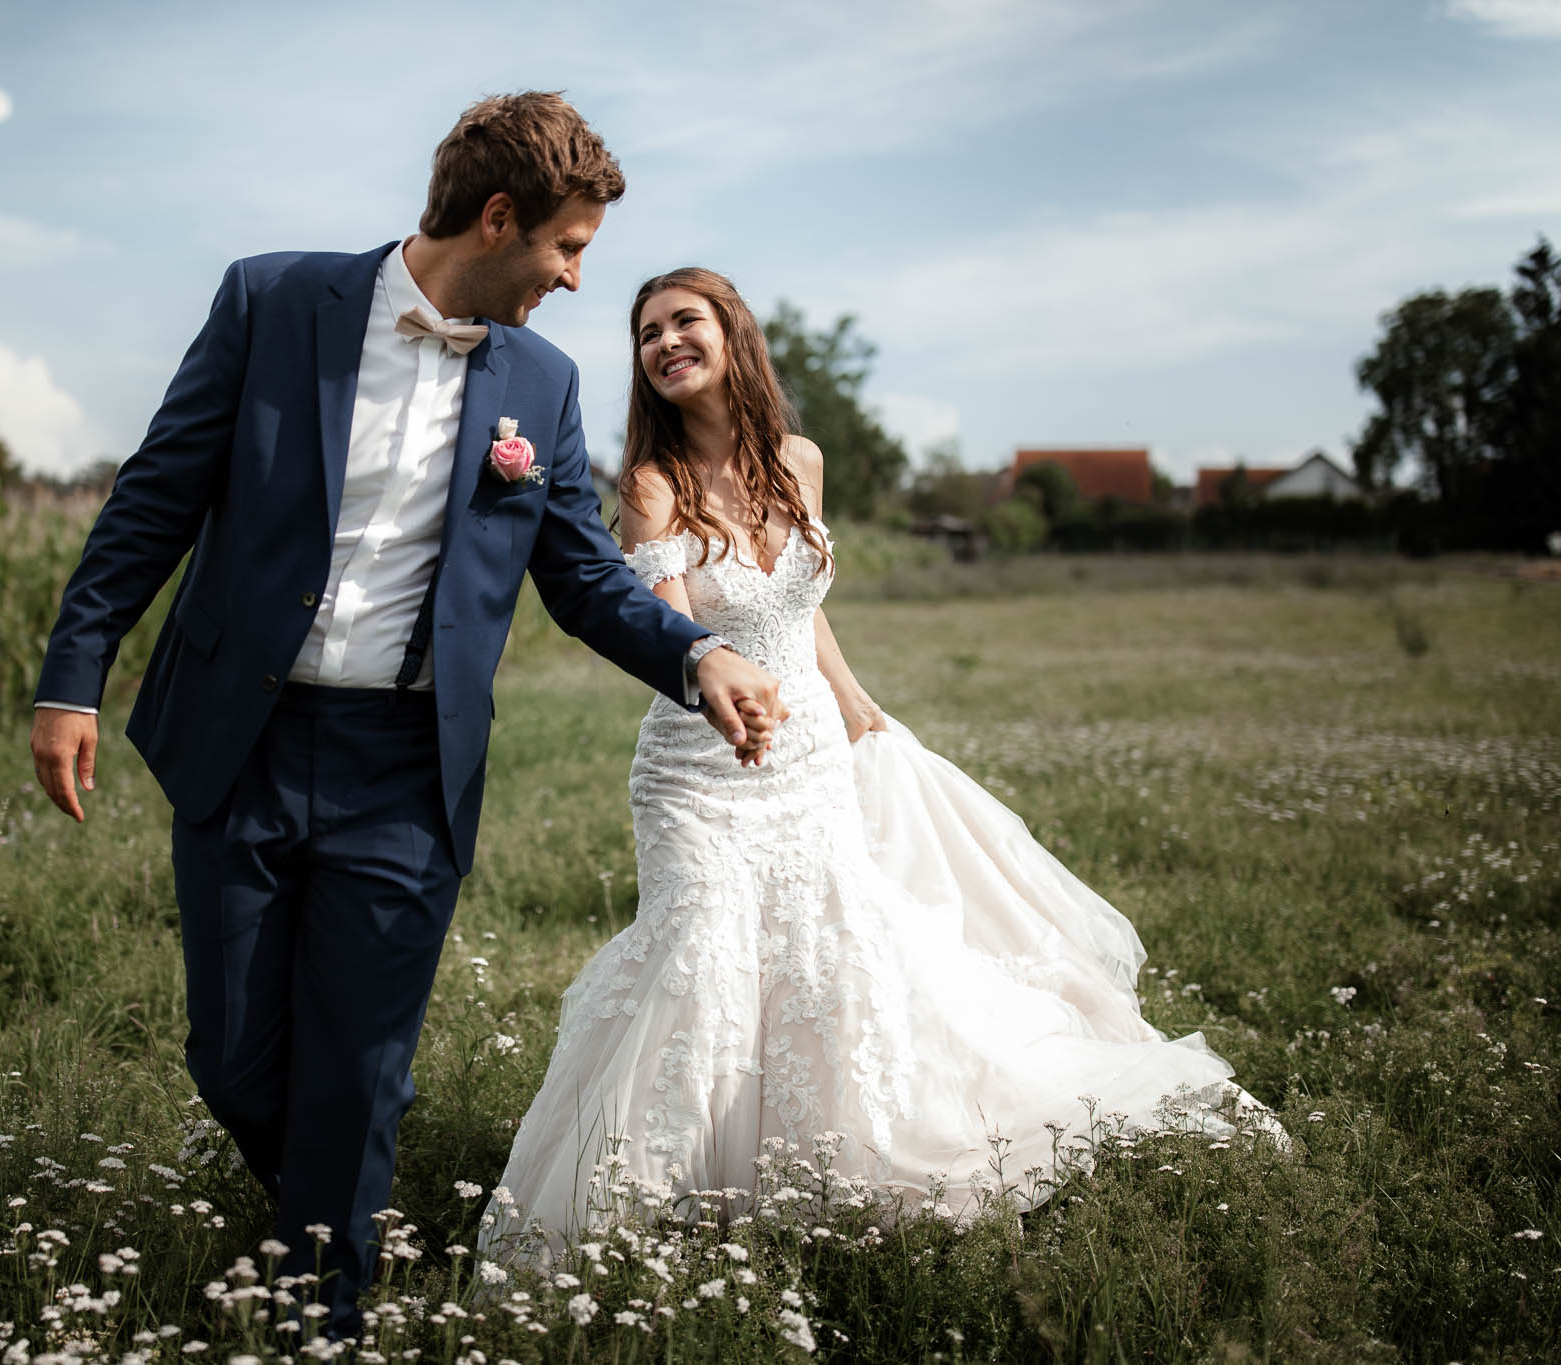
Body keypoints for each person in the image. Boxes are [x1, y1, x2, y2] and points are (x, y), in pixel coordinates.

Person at [27, 99, 787, 1334]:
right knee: (230, 1058)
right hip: (242, 739)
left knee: (359, 1062)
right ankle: (343, 1177)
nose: (575, 279)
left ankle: (324, 1310)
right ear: (497, 220)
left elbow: (582, 573)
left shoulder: (537, 381)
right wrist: (73, 676)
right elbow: (152, 498)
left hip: (404, 765)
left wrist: (696, 653)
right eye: (565, 249)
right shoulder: (272, 303)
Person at [481, 268, 1280, 1258]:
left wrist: (852, 702)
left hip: (810, 747)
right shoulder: (650, 487)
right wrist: (724, 703)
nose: (662, 343)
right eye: (645, 333)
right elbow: (667, 630)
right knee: (704, 953)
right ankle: (655, 1194)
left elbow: (797, 607)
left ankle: (824, 1159)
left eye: (683, 321)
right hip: (701, 763)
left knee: (824, 953)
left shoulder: (799, 462)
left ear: (732, 335)